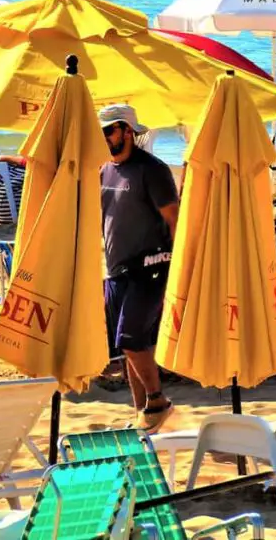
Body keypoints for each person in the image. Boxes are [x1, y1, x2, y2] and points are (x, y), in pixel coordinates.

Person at [99, 104, 179, 433]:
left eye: (109, 130)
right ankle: (142, 412)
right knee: (129, 346)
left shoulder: (152, 169)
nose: (103, 137)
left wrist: (177, 266)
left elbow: (174, 219)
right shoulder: (104, 168)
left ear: (127, 131)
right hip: (116, 268)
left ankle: (157, 399)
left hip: (152, 266)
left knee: (131, 339)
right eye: (100, 132)